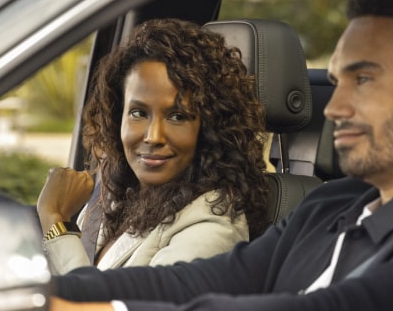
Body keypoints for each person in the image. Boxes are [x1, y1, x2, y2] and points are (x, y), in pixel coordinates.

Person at [49, 0, 393, 310]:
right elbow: (192, 281)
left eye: (363, 79)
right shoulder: (330, 206)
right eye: (337, 82)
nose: (335, 107)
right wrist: (38, 294)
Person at [37, 18, 270, 275]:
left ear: (210, 129)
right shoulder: (117, 198)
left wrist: (55, 220)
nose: (153, 136)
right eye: (138, 113)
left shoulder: (212, 229)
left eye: (177, 116)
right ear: (118, 119)